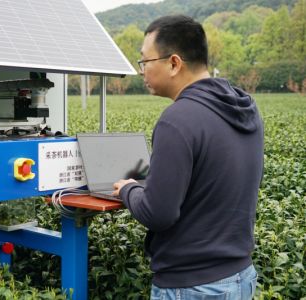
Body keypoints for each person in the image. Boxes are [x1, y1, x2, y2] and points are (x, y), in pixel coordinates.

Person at [112, 15, 263, 300]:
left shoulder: (177, 119)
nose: (141, 71)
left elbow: (159, 213)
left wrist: (129, 189)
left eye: (145, 62)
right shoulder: (246, 107)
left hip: (193, 288)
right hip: (240, 278)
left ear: (173, 63)